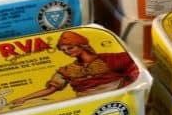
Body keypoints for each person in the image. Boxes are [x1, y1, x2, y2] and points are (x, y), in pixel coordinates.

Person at [10, 30, 138, 105]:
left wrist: (129, 87)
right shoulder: (67, 69)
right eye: (64, 50)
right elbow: (50, 90)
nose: (67, 52)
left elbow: (136, 68)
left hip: (119, 99)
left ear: (82, 46)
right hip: (87, 104)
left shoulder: (110, 58)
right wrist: (24, 98)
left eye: (70, 48)